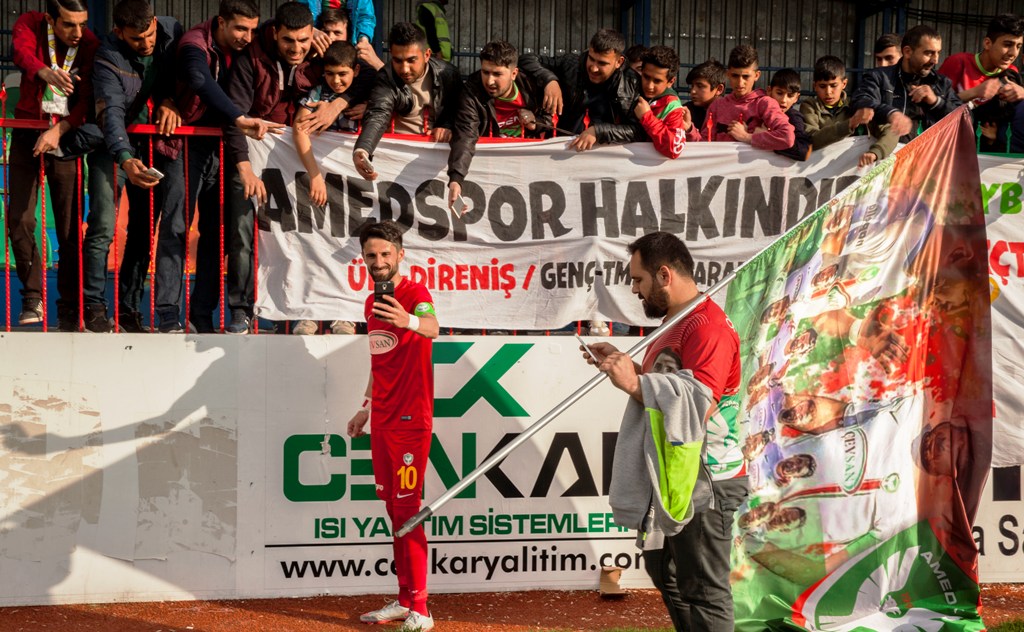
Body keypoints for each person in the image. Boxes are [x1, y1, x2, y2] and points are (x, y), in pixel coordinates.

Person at [583, 232, 744, 631]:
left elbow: (697, 406)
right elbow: (668, 390)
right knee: (663, 570)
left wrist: (636, 385)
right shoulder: (677, 322)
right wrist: (628, 368)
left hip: (707, 479)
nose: (635, 291)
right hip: (676, 475)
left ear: (665, 274)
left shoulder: (707, 328)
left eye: (638, 280)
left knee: (704, 591)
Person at [225, 2, 361, 333]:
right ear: (274, 33)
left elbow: (367, 74)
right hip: (256, 161)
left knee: (317, 235)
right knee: (245, 234)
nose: (297, 48)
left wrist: (339, 104)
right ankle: (242, 310)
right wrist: (244, 169)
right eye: (289, 41)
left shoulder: (320, 53)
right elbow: (234, 118)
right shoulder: (250, 61)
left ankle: (321, 309)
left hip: (302, 164)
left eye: (303, 40)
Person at [157, 0, 280, 333]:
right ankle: (168, 313)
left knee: (215, 235)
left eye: (253, 30)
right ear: (220, 22)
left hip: (225, 147)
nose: (247, 36)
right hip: (186, 144)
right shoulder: (195, 42)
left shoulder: (252, 44)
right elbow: (199, 79)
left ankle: (201, 315)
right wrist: (238, 117)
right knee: (176, 226)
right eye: (240, 28)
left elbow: (287, 33)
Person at [347, 220, 439, 632]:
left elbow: (433, 328)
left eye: (386, 254)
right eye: (371, 255)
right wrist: (365, 406)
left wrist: (409, 321)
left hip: (410, 422)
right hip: (382, 419)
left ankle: (422, 609)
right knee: (393, 511)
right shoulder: (370, 302)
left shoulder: (415, 294)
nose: (379, 261)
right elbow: (377, 358)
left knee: (408, 514)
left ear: (401, 255)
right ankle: (404, 600)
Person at [83, 0, 183, 333]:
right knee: (103, 227)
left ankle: (128, 310)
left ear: (156, 22)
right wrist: (124, 158)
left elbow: (178, 77)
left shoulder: (171, 32)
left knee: (142, 232)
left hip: (150, 147)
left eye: (150, 34)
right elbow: (109, 113)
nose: (146, 44)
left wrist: (170, 100)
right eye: (137, 39)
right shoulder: (106, 56)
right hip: (110, 147)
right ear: (118, 31)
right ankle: (94, 305)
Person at [9, 0, 99, 330]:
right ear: (50, 19)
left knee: (69, 228)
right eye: (69, 25)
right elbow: (20, 52)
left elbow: (88, 99)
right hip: (26, 131)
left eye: (83, 24)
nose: (78, 32)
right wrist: (44, 71)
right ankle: (32, 296)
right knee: (19, 218)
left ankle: (68, 307)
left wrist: (59, 130)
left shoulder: (90, 44)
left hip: (65, 136)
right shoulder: (30, 23)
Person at [290, 39, 364, 337]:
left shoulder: (367, 93)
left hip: (356, 188)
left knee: (349, 250)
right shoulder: (317, 94)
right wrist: (315, 175)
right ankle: (308, 314)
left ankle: (344, 315)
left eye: (343, 74)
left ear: (356, 71)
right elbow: (299, 128)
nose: (336, 80)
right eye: (331, 74)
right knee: (313, 248)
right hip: (321, 188)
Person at [446, 40, 551, 209]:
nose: (489, 81)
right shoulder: (471, 93)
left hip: (526, 168)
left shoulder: (533, 86)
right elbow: (466, 135)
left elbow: (551, 119)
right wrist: (456, 180)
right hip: (489, 168)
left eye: (497, 74)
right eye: (485, 72)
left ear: (514, 73)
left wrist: (536, 123)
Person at [352, 22, 461, 181]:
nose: (404, 69)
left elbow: (462, 112)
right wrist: (362, 150)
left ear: (427, 55)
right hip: (396, 162)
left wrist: (447, 125)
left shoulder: (448, 74)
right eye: (397, 60)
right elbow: (378, 114)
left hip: (439, 163)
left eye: (411, 60)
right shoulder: (386, 77)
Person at [518, 28, 647, 151]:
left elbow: (639, 131)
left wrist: (599, 131)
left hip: (605, 158)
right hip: (562, 151)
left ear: (619, 62)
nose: (593, 68)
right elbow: (526, 59)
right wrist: (549, 80)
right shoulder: (571, 64)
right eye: (591, 58)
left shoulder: (632, 83)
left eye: (602, 63)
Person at [850, 25, 962, 154]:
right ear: (908, 52)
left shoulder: (941, 84)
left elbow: (966, 119)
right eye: (928, 53)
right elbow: (861, 100)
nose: (935, 60)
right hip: (886, 162)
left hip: (929, 163)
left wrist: (936, 102)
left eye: (937, 52)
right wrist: (891, 113)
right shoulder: (879, 77)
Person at [939, 13, 1024, 153]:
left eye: (1018, 46)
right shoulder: (958, 63)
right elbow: (934, 105)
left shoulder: (1011, 73)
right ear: (987, 43)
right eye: (1007, 44)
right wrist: (974, 92)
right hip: (949, 147)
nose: (1013, 53)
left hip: (988, 154)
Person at [799, 55, 896, 168]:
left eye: (833, 85)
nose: (828, 92)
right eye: (822, 86)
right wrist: (849, 125)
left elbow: (891, 131)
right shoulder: (809, 107)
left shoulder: (855, 106)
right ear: (814, 86)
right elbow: (811, 139)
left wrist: (875, 152)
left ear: (844, 84)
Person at [702, 44, 795, 151]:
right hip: (720, 167)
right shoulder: (717, 106)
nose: (740, 83)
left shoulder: (764, 104)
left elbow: (787, 137)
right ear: (728, 74)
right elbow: (703, 144)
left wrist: (746, 137)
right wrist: (690, 129)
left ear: (756, 75)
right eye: (735, 76)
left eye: (746, 76)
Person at [634, 45, 688, 159]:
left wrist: (646, 117)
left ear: (671, 81)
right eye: (646, 77)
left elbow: (674, 149)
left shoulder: (672, 106)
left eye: (657, 81)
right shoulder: (630, 88)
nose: (649, 86)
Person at [766, 68, 811, 160]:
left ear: (796, 98)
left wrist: (768, 138)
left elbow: (803, 151)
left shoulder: (793, 117)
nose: (783, 100)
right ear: (769, 91)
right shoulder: (761, 111)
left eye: (790, 96)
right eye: (779, 93)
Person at [682, 59, 726, 142]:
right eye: (692, 86)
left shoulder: (729, 114)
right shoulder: (687, 111)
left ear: (719, 89)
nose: (693, 91)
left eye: (700, 86)